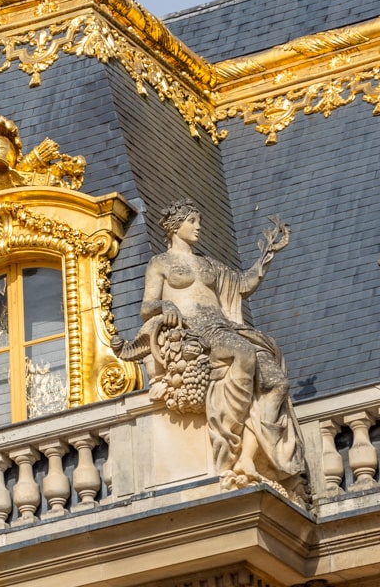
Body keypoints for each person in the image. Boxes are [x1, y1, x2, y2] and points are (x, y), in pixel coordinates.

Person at [113, 199, 306, 497]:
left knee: (276, 381)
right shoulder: (161, 263)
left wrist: (266, 256)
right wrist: (165, 304)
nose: (199, 226)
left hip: (223, 326)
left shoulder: (207, 264)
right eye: (193, 221)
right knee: (243, 354)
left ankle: (247, 457)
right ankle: (229, 440)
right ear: (176, 226)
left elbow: (242, 284)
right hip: (196, 330)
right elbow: (146, 307)